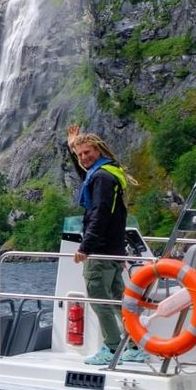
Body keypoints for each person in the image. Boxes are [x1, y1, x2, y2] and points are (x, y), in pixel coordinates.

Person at [68, 125, 146, 365]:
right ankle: (134, 345)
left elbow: (100, 214)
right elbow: (86, 176)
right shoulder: (107, 173)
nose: (84, 157)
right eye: (80, 154)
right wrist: (72, 148)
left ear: (99, 150)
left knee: (100, 300)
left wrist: (86, 247)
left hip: (100, 251)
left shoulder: (101, 177)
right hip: (113, 249)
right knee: (117, 300)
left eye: (87, 152)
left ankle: (112, 349)